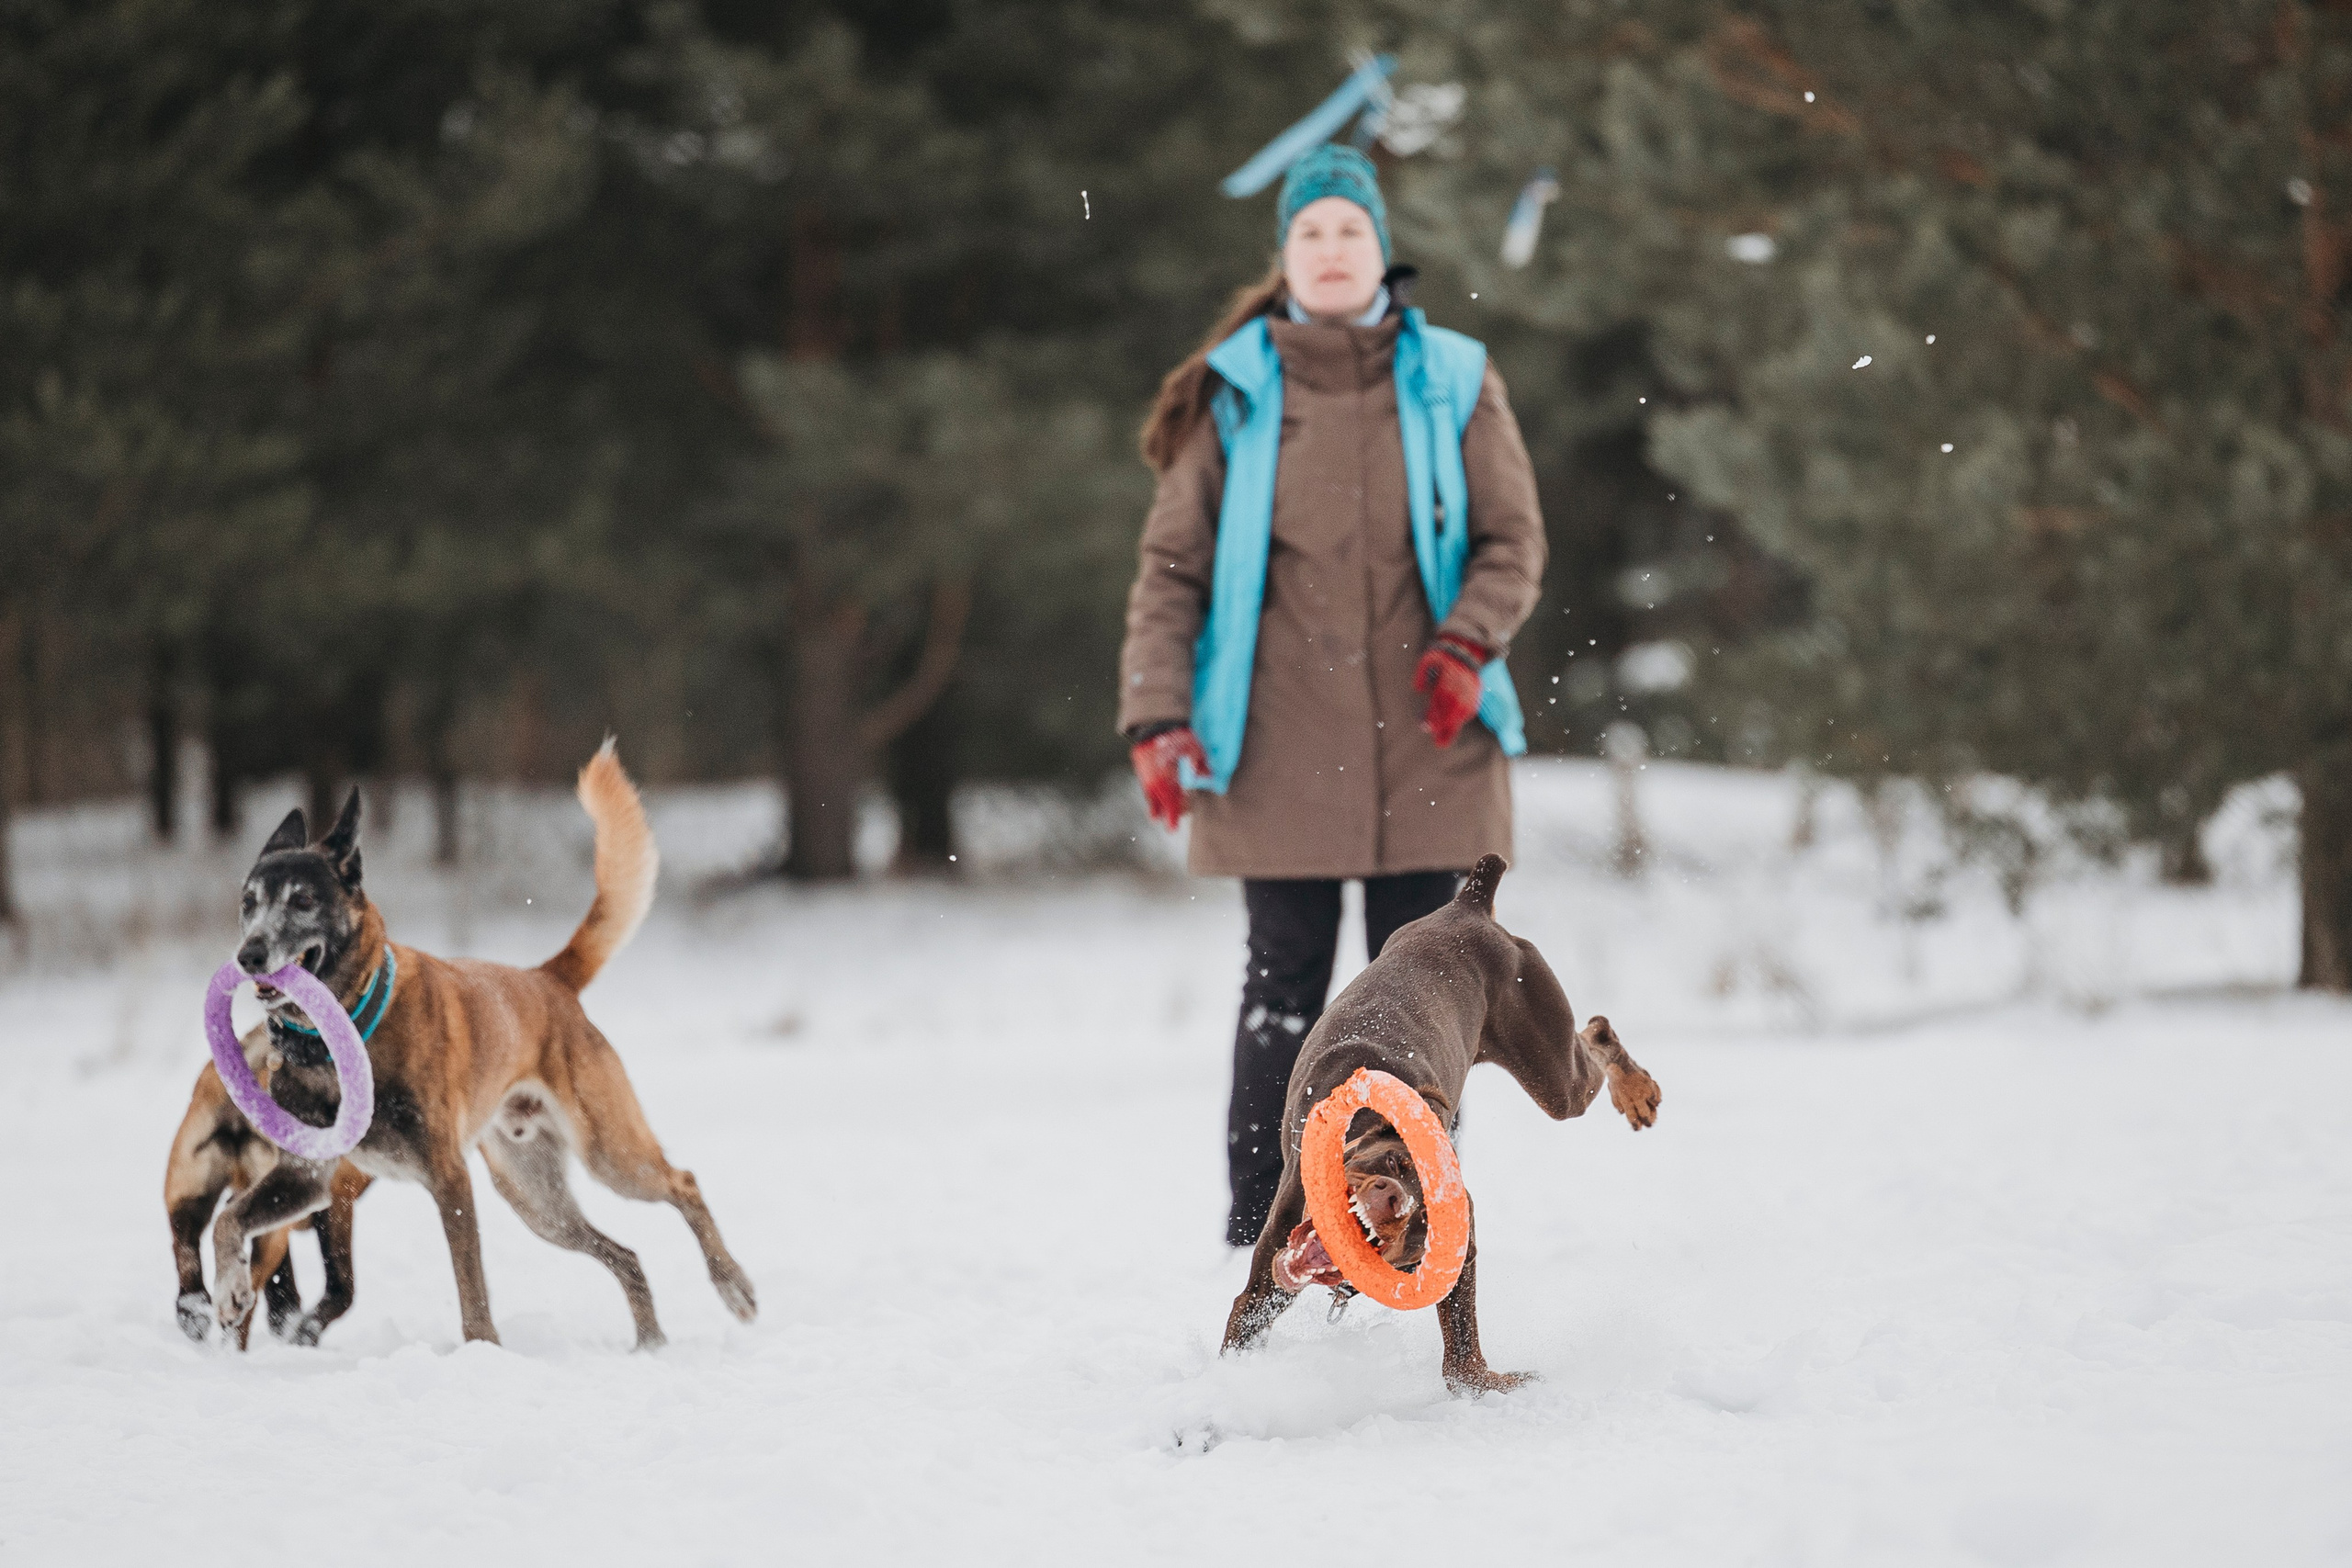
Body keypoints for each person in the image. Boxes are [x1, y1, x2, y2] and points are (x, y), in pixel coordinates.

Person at [1116, 144, 1548, 1245]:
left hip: (1434, 729)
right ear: (1286, 255)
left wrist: (1469, 641)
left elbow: (1511, 539)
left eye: (1349, 229)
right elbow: (1171, 573)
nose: (1330, 248)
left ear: (1380, 249)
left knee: (1427, 998)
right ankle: (1263, 1239)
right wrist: (1157, 717)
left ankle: (1411, 1230)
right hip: (1273, 740)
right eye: (1309, 231)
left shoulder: (1456, 376)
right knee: (1283, 990)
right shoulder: (1233, 390)